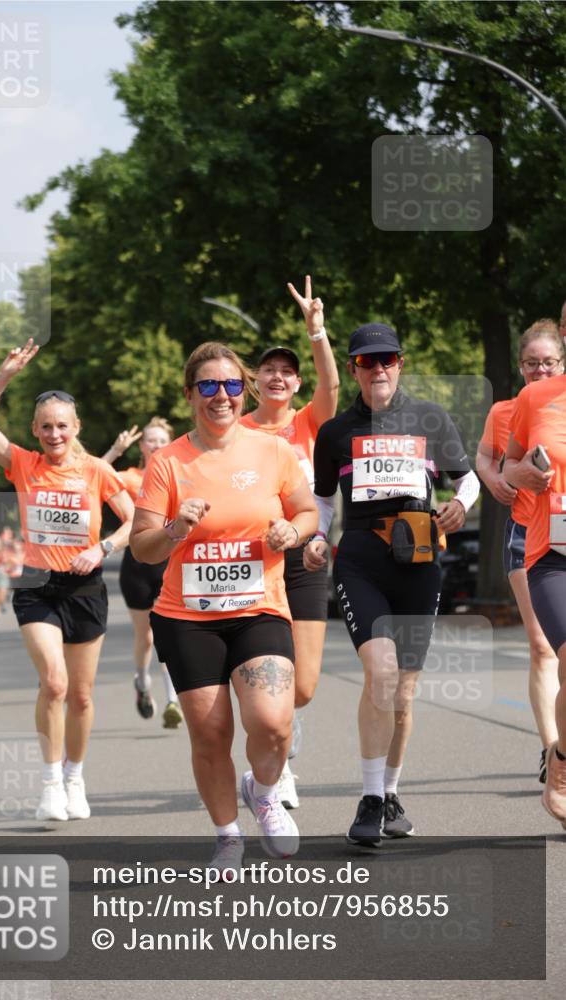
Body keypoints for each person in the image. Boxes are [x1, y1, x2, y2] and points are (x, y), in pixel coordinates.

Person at [130, 342, 317, 872]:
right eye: (208, 385)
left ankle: (263, 792)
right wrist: (174, 529)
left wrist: (292, 532)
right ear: (190, 394)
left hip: (259, 607)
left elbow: (306, 512)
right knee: (211, 734)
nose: (221, 395)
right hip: (188, 619)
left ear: (244, 391)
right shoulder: (168, 462)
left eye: (232, 384)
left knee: (273, 723)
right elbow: (142, 547)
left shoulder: (273, 451)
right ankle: (228, 836)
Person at [305, 322, 480, 846]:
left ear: (400, 363)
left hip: (418, 560)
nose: (377, 369)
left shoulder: (430, 417)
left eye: (387, 359)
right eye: (366, 361)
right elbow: (322, 499)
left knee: (403, 692)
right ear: (354, 368)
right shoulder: (335, 433)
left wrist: (459, 504)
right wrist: (316, 536)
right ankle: (370, 798)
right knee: (380, 673)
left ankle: (391, 791)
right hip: (360, 560)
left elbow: (467, 478)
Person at [0, 338, 134, 823]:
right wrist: (4, 375)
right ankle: (50, 784)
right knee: (54, 683)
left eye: (62, 425)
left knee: (80, 695)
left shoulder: (96, 471)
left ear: (76, 428)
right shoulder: (24, 464)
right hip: (37, 585)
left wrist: (101, 548)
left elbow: (134, 522)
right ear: (35, 431)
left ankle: (75, 777)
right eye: (45, 426)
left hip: (85, 589)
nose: (54, 433)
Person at [240, 276, 339, 808]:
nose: (277, 377)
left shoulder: (308, 423)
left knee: (303, 686)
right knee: (268, 680)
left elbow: (333, 387)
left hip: (305, 556)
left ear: (297, 384)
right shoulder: (238, 432)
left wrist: (316, 331)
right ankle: (275, 770)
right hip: (256, 562)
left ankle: (285, 732)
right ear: (255, 382)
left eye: (287, 371)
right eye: (269, 370)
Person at [476, 320, 564, 781]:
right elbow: (488, 458)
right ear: (520, 365)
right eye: (531, 363)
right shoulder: (509, 410)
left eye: (548, 363)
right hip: (527, 536)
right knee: (541, 646)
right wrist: (497, 479)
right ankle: (552, 749)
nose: (539, 371)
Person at [504, 371, 566, 830]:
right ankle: (560, 767)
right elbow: (507, 466)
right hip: (553, 555)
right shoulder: (535, 397)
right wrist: (521, 473)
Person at [102, 417, 183, 728]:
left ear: (170, 443)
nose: (157, 445)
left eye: (162, 440)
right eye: (151, 440)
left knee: (166, 634)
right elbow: (91, 476)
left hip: (168, 564)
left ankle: (173, 699)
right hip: (136, 566)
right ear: (142, 446)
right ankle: (141, 680)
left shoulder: (177, 475)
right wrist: (115, 450)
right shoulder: (130, 477)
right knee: (145, 637)